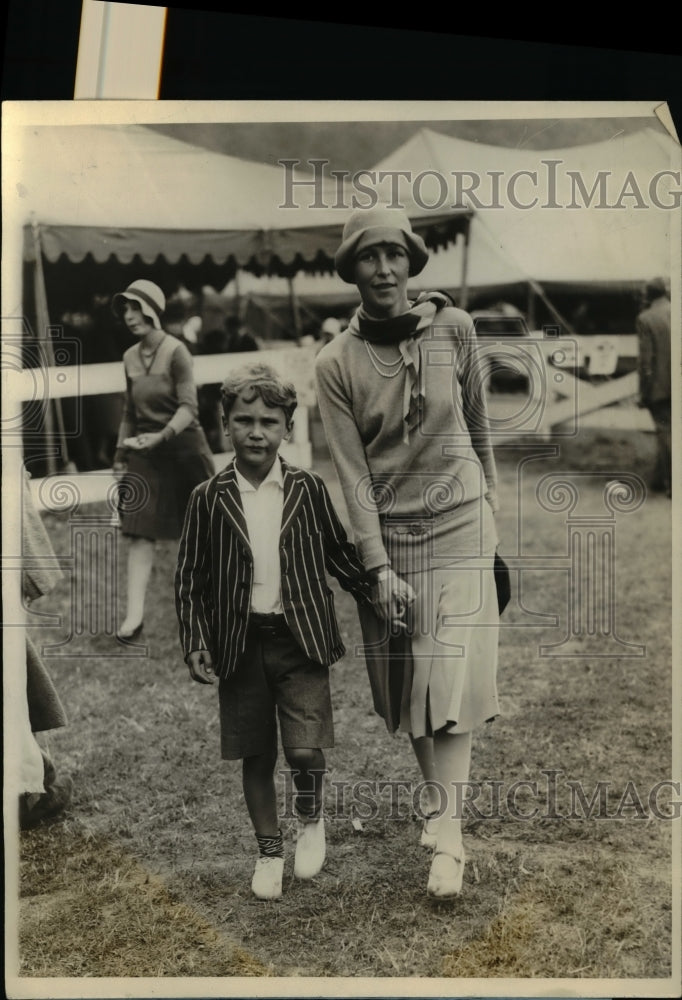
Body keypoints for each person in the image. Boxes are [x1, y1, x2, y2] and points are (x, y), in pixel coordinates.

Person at [315, 206, 501, 899]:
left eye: (396, 254)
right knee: (410, 682)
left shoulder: (456, 328)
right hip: (392, 540)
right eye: (370, 257)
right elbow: (351, 472)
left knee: (448, 678)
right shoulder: (333, 362)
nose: (385, 268)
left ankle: (449, 840)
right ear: (353, 270)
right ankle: (434, 798)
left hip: (461, 524)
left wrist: (493, 506)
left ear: (411, 262)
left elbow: (479, 420)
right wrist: (378, 565)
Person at [175, 362, 372, 901]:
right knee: (256, 753)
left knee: (306, 751)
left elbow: (338, 553)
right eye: (243, 420)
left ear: (287, 426)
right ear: (223, 425)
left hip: (300, 638)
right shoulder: (208, 498)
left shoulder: (307, 489)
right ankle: (268, 850)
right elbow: (190, 575)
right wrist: (195, 639)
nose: (256, 431)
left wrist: (376, 591)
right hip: (239, 645)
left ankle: (310, 818)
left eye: (268, 420)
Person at [112, 279, 215, 642]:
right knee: (139, 534)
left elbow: (190, 408)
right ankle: (133, 619)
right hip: (146, 452)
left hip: (184, 448)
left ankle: (218, 610)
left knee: (208, 533)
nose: (129, 316)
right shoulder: (128, 358)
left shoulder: (177, 352)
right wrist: (121, 453)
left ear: (152, 311)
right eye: (124, 309)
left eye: (135, 308)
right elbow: (129, 410)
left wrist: (162, 436)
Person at [636, 277, 672, 497]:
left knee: (666, 433)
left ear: (648, 295)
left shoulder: (646, 318)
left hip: (661, 386)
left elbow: (645, 361)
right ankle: (659, 480)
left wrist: (643, 392)